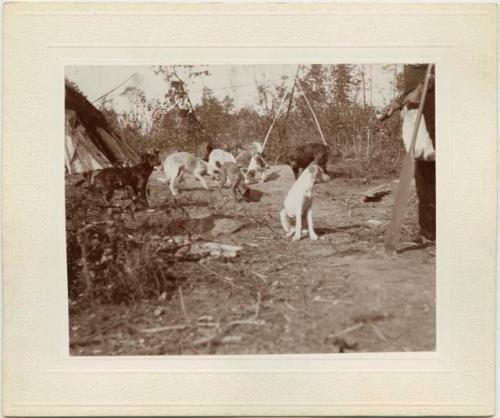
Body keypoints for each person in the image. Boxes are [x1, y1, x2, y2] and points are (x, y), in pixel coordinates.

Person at [378, 64, 436, 240]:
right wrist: (395, 105)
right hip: (419, 117)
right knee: (423, 177)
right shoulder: (410, 64)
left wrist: (429, 84)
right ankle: (429, 231)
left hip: (436, 111)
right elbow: (410, 91)